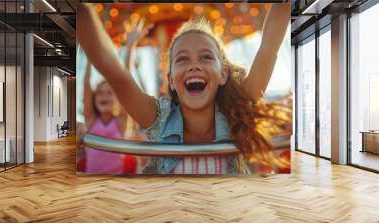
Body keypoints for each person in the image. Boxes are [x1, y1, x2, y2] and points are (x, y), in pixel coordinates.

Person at [77, 3, 290, 174]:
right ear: (170, 80)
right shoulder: (158, 117)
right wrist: (83, 8)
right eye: (182, 59)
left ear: (223, 74)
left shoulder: (236, 110)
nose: (193, 65)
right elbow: (116, 73)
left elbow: (268, 50)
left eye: (206, 57)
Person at [80, 18, 153, 174]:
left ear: (117, 100)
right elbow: (86, 86)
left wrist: (130, 45)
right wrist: (90, 56)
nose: (104, 96)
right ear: (94, 99)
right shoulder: (91, 120)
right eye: (100, 92)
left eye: (109, 92)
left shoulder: (121, 122)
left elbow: (124, 82)